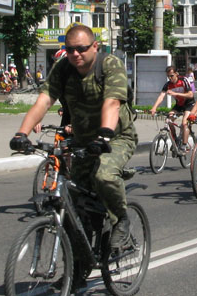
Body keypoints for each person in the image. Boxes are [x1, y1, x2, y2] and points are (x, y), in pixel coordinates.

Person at [10, 24, 137, 253]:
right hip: (83, 141)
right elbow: (44, 101)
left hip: (116, 137)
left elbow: (112, 103)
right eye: (70, 50)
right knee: (75, 203)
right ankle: (79, 265)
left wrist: (104, 135)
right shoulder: (63, 68)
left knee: (104, 175)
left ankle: (121, 220)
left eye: (81, 48)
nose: (75, 54)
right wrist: (22, 133)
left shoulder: (109, 65)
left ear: (94, 46)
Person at [149, 65, 195, 154]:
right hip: (179, 105)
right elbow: (161, 96)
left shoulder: (183, 80)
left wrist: (175, 93)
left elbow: (190, 95)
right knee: (168, 120)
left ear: (176, 74)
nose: (170, 78)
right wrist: (154, 108)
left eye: (172, 76)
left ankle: (183, 146)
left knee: (184, 123)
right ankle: (175, 140)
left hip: (189, 104)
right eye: (168, 76)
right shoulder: (168, 85)